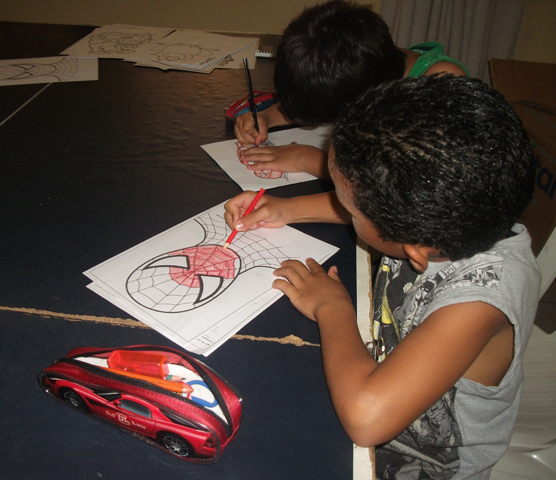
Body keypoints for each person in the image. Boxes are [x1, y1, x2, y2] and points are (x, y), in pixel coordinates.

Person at [224, 75, 540, 478]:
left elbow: (367, 419)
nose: (343, 209)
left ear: (415, 249)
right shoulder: (456, 218)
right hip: (378, 377)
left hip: (416, 463)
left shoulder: (479, 302)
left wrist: (332, 306)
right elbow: (374, 211)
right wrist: (285, 209)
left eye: (350, 210)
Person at [234, 0, 467, 180]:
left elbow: (399, 193)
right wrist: (268, 116)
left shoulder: (442, 85)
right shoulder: (367, 60)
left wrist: (309, 160)